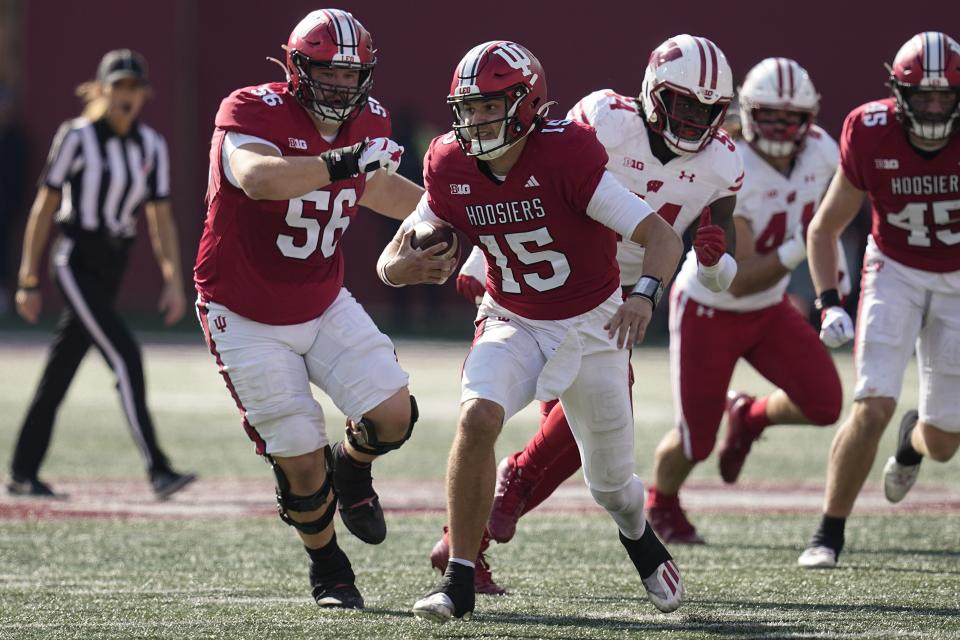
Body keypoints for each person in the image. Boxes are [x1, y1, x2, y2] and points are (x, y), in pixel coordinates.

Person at [378, 40, 685, 622]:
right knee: (477, 415)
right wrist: (401, 269)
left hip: (594, 324)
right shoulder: (448, 161)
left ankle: (638, 534)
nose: (475, 121)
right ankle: (459, 578)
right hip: (512, 317)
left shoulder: (567, 153)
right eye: (467, 108)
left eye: (489, 107)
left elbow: (661, 238)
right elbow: (394, 257)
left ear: (527, 104)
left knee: (612, 484)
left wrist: (644, 295)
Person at [433, 34, 742, 587]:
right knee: (558, 424)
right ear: (653, 92)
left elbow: (720, 270)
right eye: (683, 103)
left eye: (706, 110)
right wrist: (483, 259)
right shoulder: (605, 118)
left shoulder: (723, 162)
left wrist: (712, 262)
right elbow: (527, 185)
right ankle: (488, 518)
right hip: (560, 271)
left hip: (629, 289)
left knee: (591, 429)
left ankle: (481, 526)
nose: (694, 120)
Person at [193, 10, 439, 609]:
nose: (340, 88)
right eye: (327, 74)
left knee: (394, 416)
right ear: (297, 68)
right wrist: (344, 161)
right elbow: (257, 177)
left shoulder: (370, 120)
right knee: (301, 465)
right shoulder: (250, 109)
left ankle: (351, 467)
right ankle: (328, 566)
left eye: (351, 76)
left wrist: (446, 218)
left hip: (322, 299)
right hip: (243, 311)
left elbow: (378, 189)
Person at [798, 31, 960, 569]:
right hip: (895, 269)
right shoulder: (869, 130)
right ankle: (828, 533)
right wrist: (829, 302)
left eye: (946, 96)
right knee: (871, 406)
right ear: (899, 93)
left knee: (943, 442)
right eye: (924, 96)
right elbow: (824, 229)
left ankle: (912, 440)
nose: (935, 108)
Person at [7, 49, 194, 500]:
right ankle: (158, 468)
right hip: (74, 257)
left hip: (113, 263)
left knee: (61, 369)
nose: (127, 96)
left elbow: (160, 217)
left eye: (135, 87)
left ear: (144, 94)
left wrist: (173, 281)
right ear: (102, 90)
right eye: (119, 87)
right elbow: (45, 206)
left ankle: (21, 471)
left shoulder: (151, 145)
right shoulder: (76, 137)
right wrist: (28, 278)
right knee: (126, 357)